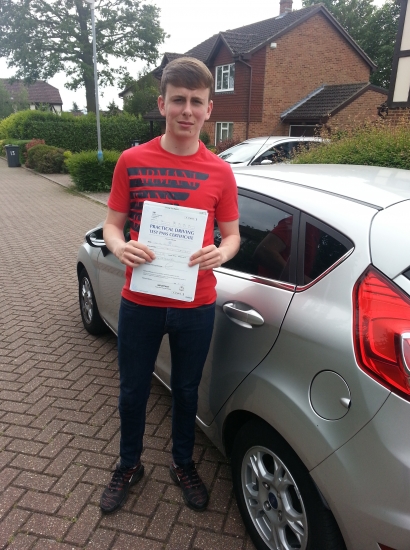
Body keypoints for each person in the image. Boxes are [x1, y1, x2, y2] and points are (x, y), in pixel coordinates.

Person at [100, 57, 240, 514]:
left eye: (196, 101)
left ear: (208, 109)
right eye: (178, 100)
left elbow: (234, 234)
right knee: (132, 390)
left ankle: (183, 464)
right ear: (162, 104)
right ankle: (128, 464)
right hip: (140, 299)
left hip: (195, 303)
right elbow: (112, 226)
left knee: (185, 390)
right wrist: (120, 249)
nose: (186, 110)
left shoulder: (220, 171)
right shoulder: (132, 160)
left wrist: (222, 251)